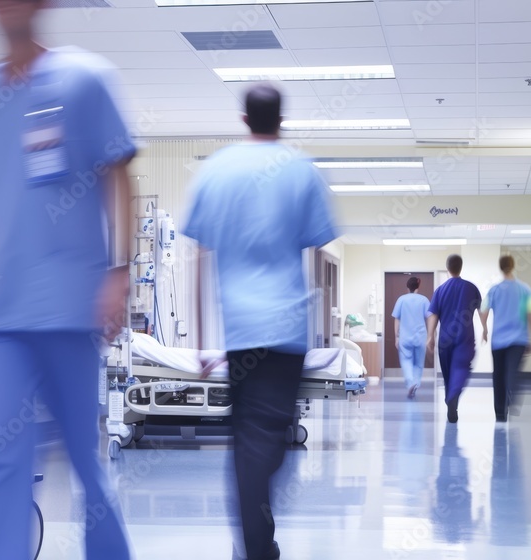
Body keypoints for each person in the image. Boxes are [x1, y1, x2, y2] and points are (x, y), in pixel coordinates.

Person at [0, 0, 135, 557]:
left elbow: (119, 176)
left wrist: (118, 274)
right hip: (0, 313)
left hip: (69, 309)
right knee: (5, 462)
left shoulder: (84, 79)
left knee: (83, 457)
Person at [182, 83, 337, 560]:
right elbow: (316, 253)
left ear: (245, 119)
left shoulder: (216, 170)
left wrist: (203, 340)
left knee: (253, 438)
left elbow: (200, 259)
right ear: (281, 119)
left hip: (241, 334)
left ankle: (255, 536)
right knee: (265, 443)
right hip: (287, 331)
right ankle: (256, 543)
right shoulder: (301, 169)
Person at [479, 255, 531, 422]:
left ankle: (500, 412)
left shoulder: (494, 289)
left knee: (498, 375)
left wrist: (484, 329)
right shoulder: (525, 289)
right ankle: (511, 396)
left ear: (500, 267)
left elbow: (483, 311)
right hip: (519, 340)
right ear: (513, 267)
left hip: (498, 340)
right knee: (512, 372)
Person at [427, 255, 482, 423]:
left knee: (448, 374)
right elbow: (482, 309)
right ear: (461, 266)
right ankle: (452, 397)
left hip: (445, 338)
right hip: (464, 337)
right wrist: (485, 328)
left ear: (448, 267)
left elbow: (433, 314)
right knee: (460, 369)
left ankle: (451, 402)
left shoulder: (440, 290)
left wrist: (430, 336)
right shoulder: (471, 288)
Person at [392, 276, 430, 399]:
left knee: (406, 361)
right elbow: (430, 318)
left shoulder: (401, 300)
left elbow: (397, 318)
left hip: (405, 336)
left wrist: (396, 337)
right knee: (419, 364)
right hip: (420, 337)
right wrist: (431, 335)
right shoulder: (424, 300)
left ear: (407, 287)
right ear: (418, 287)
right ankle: (415, 383)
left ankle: (410, 383)